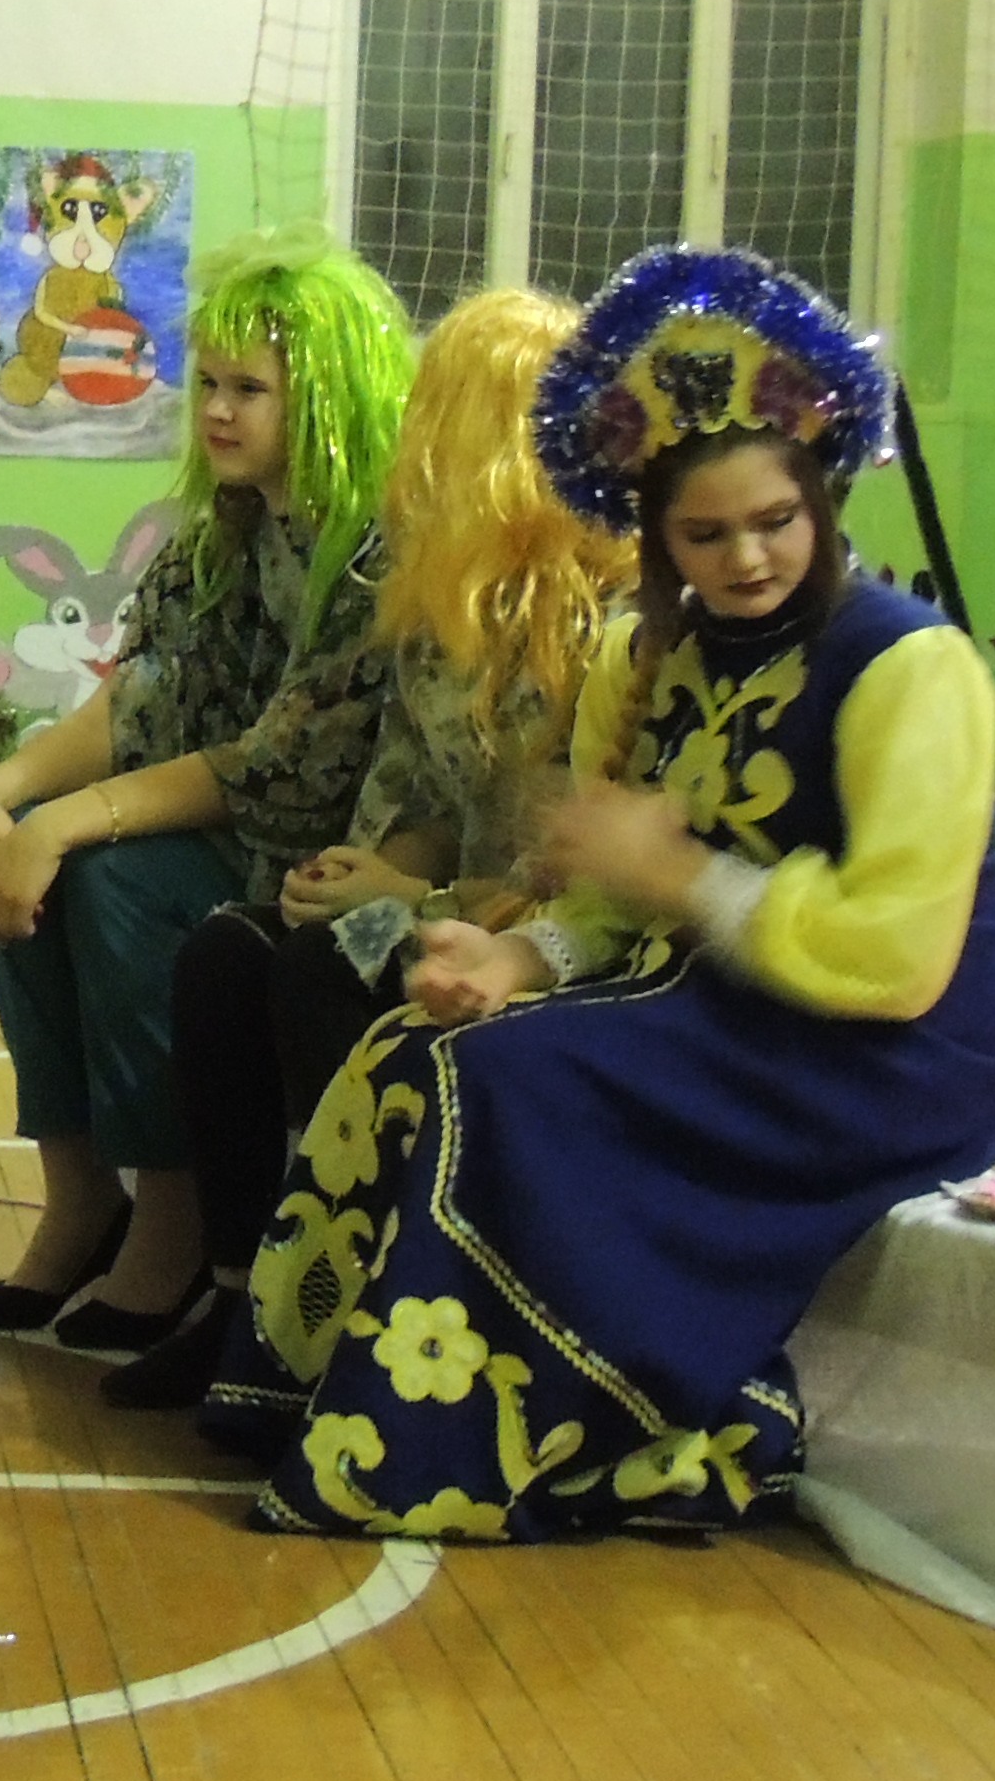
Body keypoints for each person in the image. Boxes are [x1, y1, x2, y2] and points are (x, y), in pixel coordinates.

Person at [203, 249, 995, 1540]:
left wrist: (684, 876)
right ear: (656, 535)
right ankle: (328, 1391)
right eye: (706, 534)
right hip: (714, 1006)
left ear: (822, 499)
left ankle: (515, 1425)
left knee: (494, 1083)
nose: (747, 557)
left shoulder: (910, 667)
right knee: (413, 1044)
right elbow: (608, 900)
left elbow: (899, 957)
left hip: (874, 1057)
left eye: (776, 520)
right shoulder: (642, 654)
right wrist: (516, 958)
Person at [100, 287, 627, 1408]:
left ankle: (344, 1322)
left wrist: (416, 890)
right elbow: (419, 789)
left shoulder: (607, 622)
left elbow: (575, 866)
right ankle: (242, 1300)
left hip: (548, 940)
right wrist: (375, 869)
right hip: (448, 895)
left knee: (319, 971)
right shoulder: (441, 600)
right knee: (229, 954)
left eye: (444, 419)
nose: (416, 448)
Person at [0, 226, 413, 1348]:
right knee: (21, 853)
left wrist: (62, 826)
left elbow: (275, 766)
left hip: (328, 859)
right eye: (208, 383)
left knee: (111, 880)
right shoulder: (224, 533)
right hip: (239, 833)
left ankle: (174, 1211)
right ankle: (80, 1197)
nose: (217, 411)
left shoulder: (374, 557)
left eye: (251, 389)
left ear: (329, 399)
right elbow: (140, 701)